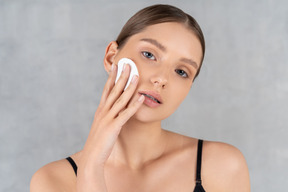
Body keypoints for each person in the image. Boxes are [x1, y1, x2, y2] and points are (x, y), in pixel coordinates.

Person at [30, 4, 250, 192]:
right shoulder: (53, 181)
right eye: (149, 55)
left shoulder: (222, 166)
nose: (161, 79)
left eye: (181, 72)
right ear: (110, 57)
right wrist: (90, 167)